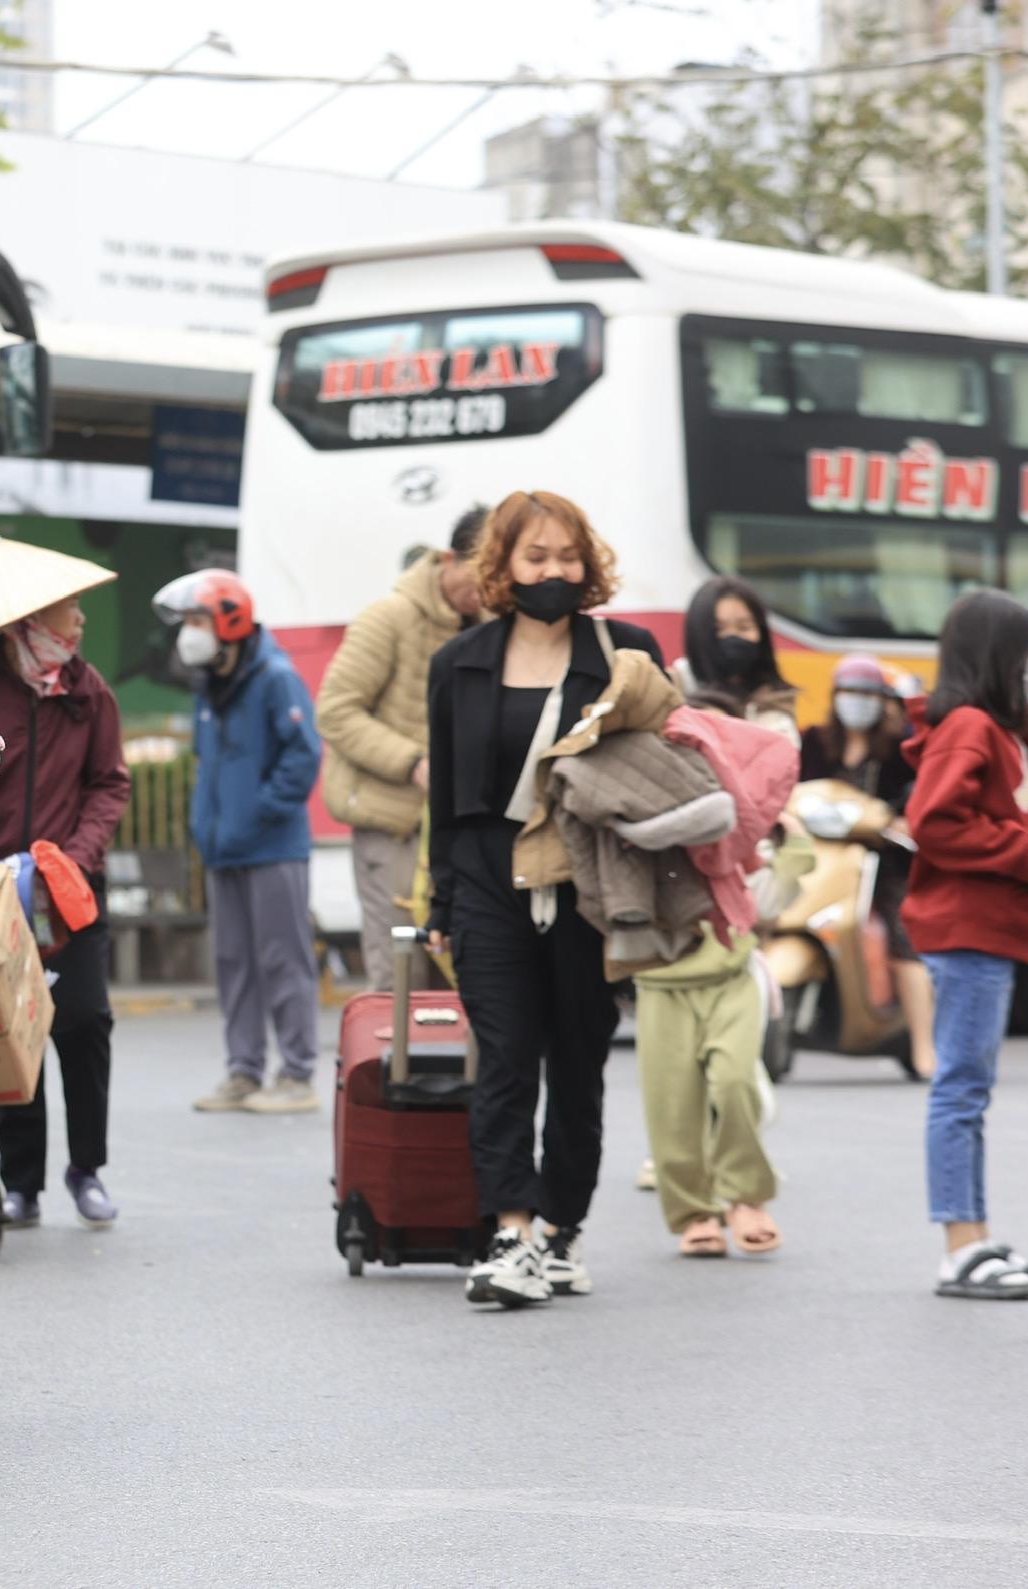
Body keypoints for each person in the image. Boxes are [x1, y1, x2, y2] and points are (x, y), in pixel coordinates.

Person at [425, 491, 667, 1307]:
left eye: (567, 557)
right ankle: (512, 1230)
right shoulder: (457, 662)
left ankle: (562, 1228)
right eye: (536, 558)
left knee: (577, 1061)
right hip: (490, 880)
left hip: (590, 882)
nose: (554, 572)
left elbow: (666, 764)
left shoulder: (627, 652)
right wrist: (442, 904)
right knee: (502, 1058)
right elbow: (449, 802)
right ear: (503, 566)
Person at [0, 536, 131, 1230]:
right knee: (5, 1026)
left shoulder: (90, 691)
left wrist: (76, 857)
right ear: (29, 622)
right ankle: (21, 1182)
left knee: (85, 1020)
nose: (80, 623)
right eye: (69, 611)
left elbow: (109, 783)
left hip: (70, 891)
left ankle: (87, 1167)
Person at [901, 590, 1028, 1300]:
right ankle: (959, 1246)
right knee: (961, 1090)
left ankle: (975, 1236)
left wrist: (1026, 709)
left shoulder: (996, 728)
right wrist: (1025, 859)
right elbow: (933, 820)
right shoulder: (970, 726)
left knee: (970, 1089)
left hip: (987, 933)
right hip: (968, 929)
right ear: (1002, 656)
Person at [632, 686, 799, 1259]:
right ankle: (694, 1212)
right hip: (661, 977)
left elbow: (771, 893)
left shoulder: (743, 822)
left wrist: (791, 844)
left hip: (731, 970)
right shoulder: (643, 798)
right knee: (672, 1103)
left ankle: (745, 1196)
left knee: (733, 1082)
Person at [161, 571, 325, 1115]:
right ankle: (244, 1071)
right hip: (224, 847)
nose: (188, 633)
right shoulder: (211, 683)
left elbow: (302, 755)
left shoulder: (274, 676)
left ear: (230, 620)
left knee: (283, 960)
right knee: (234, 961)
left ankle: (298, 1074)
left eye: (196, 620)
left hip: (272, 847)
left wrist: (259, 813)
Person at [317, 504, 487, 993]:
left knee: (468, 969)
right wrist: (413, 763)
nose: (485, 590)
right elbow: (335, 710)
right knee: (401, 975)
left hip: (465, 829)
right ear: (449, 558)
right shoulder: (388, 616)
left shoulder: (498, 624)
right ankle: (398, 1071)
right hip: (391, 826)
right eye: (479, 574)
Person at [799, 652, 934, 1078]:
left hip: (881, 861)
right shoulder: (815, 741)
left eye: (865, 693)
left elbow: (912, 798)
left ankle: (924, 1046)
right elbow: (797, 791)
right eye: (848, 692)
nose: (855, 701)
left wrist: (897, 818)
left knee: (902, 934)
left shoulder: (897, 751)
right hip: (821, 856)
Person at [677, 576, 799, 744]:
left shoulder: (776, 701)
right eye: (719, 629)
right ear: (698, 634)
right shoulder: (674, 689)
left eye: (744, 627)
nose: (733, 637)